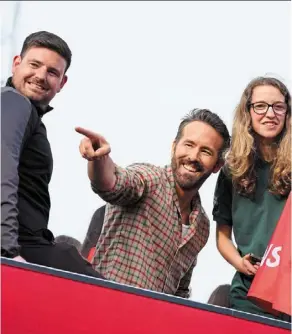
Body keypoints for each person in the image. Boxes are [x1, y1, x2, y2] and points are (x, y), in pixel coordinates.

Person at [76, 108, 230, 297]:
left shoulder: (201, 227)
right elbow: (112, 184)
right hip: (106, 307)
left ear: (217, 165)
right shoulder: (149, 180)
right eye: (188, 145)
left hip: (153, 323)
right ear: (174, 147)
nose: (193, 156)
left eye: (205, 151)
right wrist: (99, 159)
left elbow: (180, 292)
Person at [1, 31, 103, 279]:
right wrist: (7, 252)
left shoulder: (28, 114)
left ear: (62, 82)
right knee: (115, 299)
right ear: (17, 63)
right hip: (20, 244)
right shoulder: (14, 102)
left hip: (27, 242)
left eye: (52, 72)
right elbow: (2, 168)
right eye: (34, 65)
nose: (40, 76)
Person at [213, 76, 291, 320]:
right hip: (250, 290)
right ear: (247, 111)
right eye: (261, 106)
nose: (270, 114)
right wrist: (239, 262)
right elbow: (223, 234)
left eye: (278, 106)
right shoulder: (231, 170)